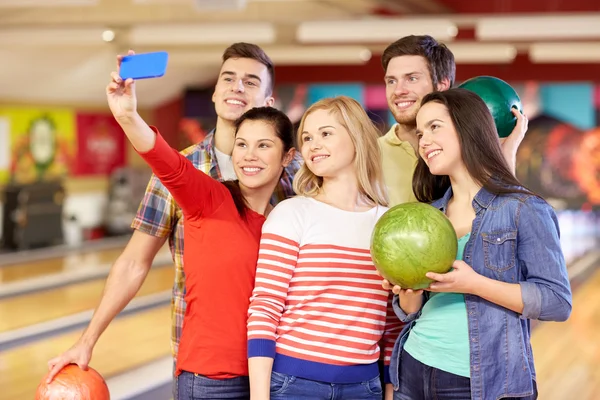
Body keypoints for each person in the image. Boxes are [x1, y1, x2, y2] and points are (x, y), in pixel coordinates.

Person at [46, 43, 301, 395]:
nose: (237, 87)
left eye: (250, 81)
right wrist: (88, 339)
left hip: (282, 360)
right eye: (228, 78)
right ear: (214, 93)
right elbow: (134, 262)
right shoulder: (186, 173)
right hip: (207, 362)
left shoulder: (298, 175)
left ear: (270, 102)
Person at [384, 88, 572, 400]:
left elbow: (557, 302)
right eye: (420, 133)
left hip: (482, 382)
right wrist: (408, 292)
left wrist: (474, 284)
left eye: (434, 127)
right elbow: (412, 311)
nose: (424, 141)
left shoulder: (522, 209)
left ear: (467, 127)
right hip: (413, 370)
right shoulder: (429, 214)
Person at [247, 96, 404, 400]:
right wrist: (258, 396)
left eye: (326, 134)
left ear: (357, 137)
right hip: (294, 384)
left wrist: (388, 391)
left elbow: (391, 321)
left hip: (365, 386)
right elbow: (265, 307)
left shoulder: (387, 223)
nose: (313, 145)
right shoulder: (293, 213)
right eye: (307, 137)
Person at [379, 35, 527, 206]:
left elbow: (504, 214)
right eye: (391, 81)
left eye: (412, 78)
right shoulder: (370, 155)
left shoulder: (465, 152)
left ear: (442, 84)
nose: (398, 90)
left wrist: (507, 152)